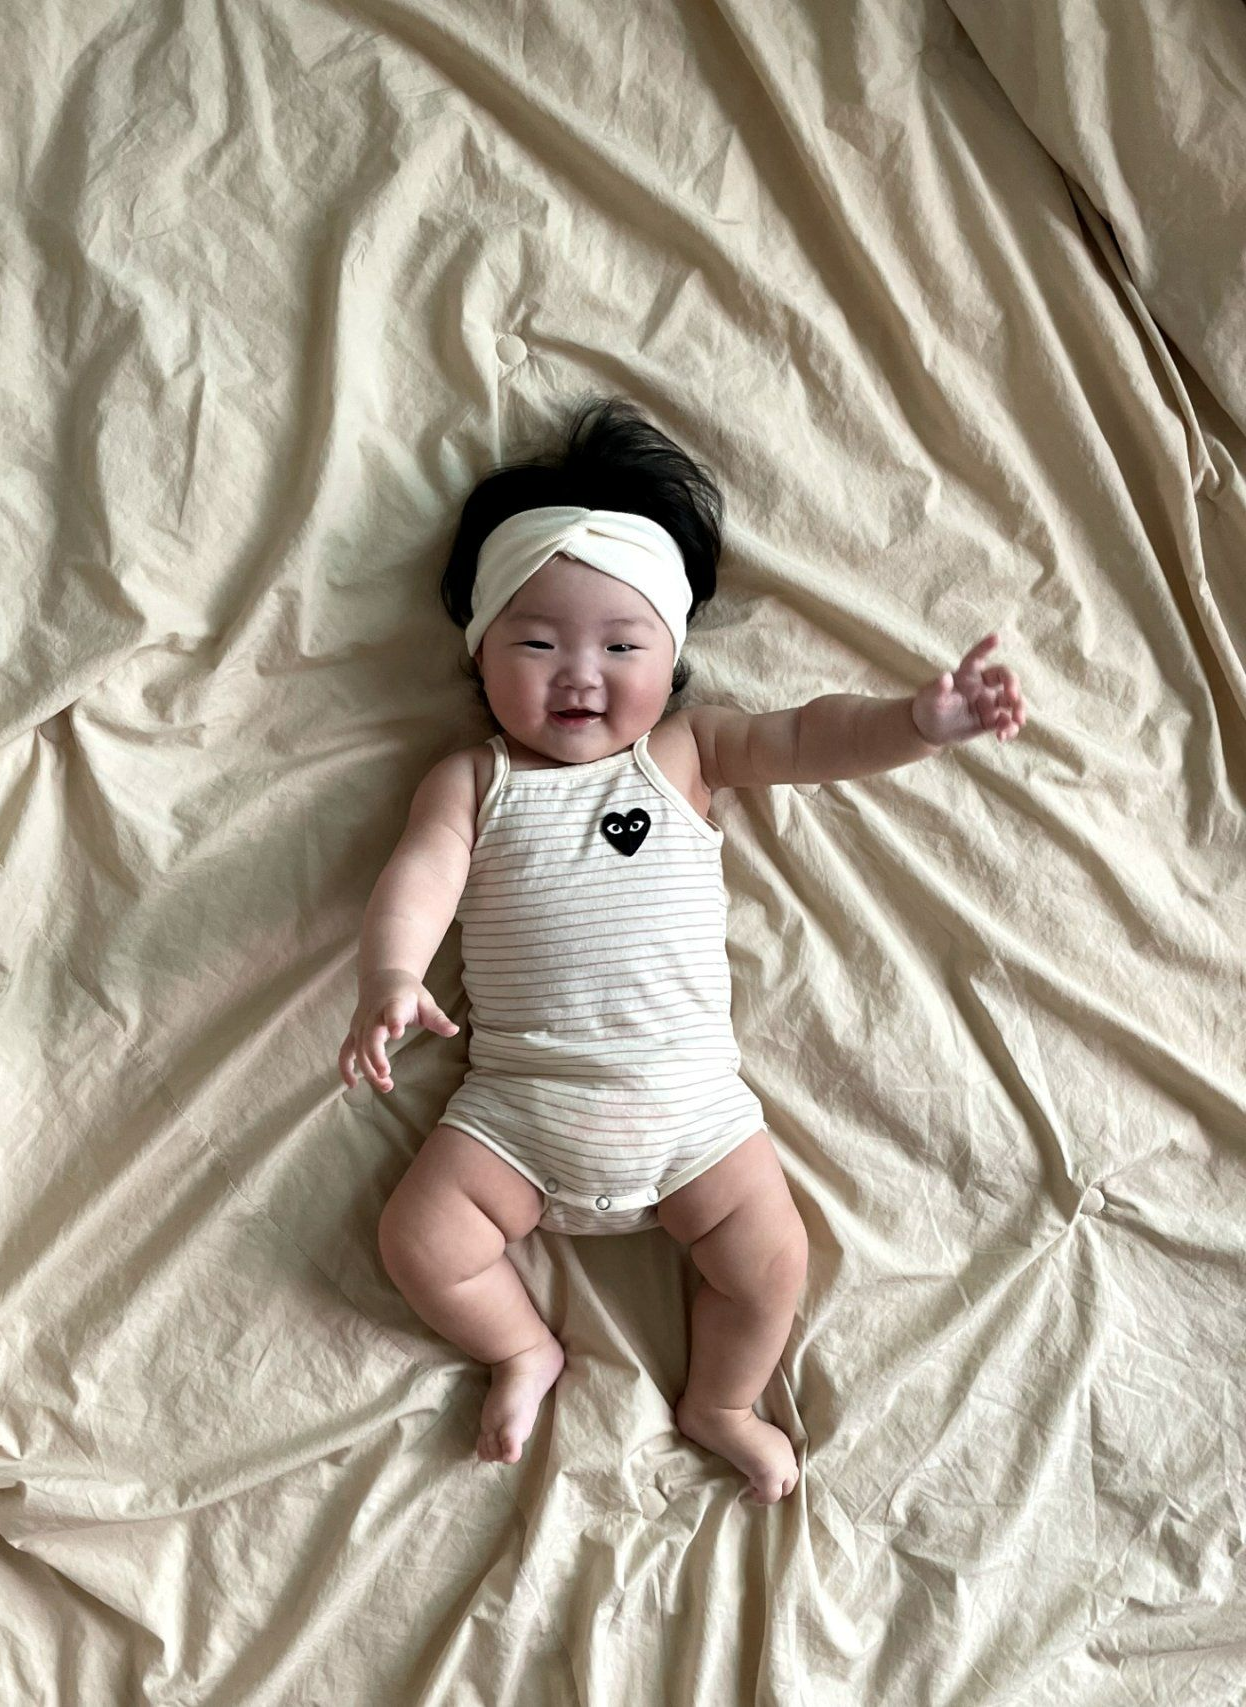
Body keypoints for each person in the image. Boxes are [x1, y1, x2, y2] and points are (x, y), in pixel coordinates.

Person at [338, 395, 1027, 1505]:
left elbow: (805, 735)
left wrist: (914, 723)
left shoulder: (683, 753)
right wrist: (392, 975)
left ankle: (721, 1403)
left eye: (621, 645)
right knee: (419, 1240)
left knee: (772, 1261)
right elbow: (418, 877)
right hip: (518, 1109)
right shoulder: (474, 780)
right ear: (479, 654)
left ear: (670, 657)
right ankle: (520, 1348)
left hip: (695, 1115)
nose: (580, 675)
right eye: (537, 643)